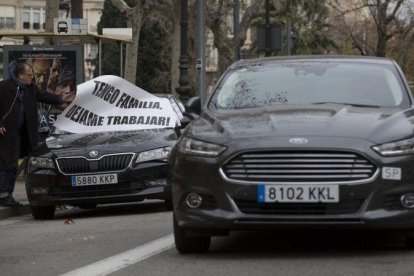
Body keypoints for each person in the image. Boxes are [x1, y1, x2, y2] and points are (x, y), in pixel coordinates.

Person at [0, 61, 74, 207]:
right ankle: (3, 195)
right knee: (6, 164)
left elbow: (43, 96)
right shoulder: (3, 87)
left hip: (21, 134)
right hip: (5, 133)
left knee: (13, 163)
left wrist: (61, 99)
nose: (32, 78)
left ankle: (6, 194)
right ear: (20, 76)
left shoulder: (30, 88)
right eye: (29, 75)